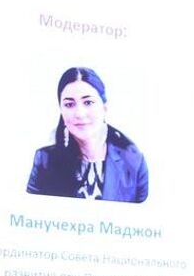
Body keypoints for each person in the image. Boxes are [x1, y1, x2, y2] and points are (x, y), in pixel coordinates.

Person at [26, 67, 149, 202]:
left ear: (104, 107)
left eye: (88, 102)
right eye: (69, 104)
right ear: (61, 110)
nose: (79, 113)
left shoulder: (133, 162)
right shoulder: (45, 160)